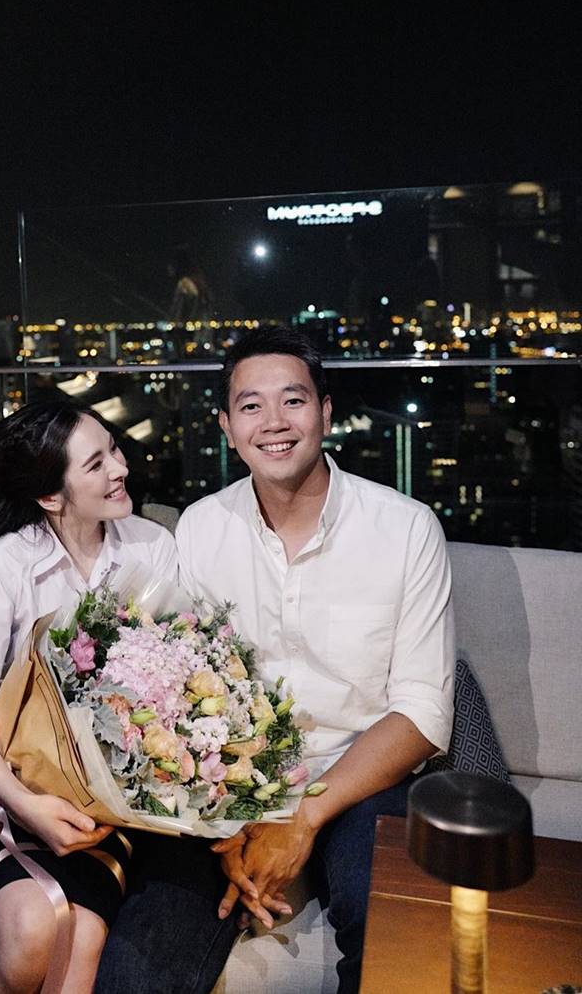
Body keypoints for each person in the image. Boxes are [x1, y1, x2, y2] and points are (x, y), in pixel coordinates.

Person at [174, 327, 456, 994]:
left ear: (325, 412)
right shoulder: (200, 529)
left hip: (363, 778)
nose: (274, 422)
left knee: (389, 930)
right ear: (227, 427)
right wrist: (234, 824)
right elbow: (184, 690)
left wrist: (299, 818)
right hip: (232, 786)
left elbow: (422, 710)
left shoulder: (405, 528)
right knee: (149, 944)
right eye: (251, 406)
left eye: (293, 400)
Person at [0, 400, 177, 994]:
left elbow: (178, 674)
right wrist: (24, 804)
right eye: (96, 464)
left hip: (122, 804)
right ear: (50, 495)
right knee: (29, 932)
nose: (120, 468)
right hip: (20, 790)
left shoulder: (152, 546)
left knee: (80, 939)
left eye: (114, 449)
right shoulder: (6, 564)